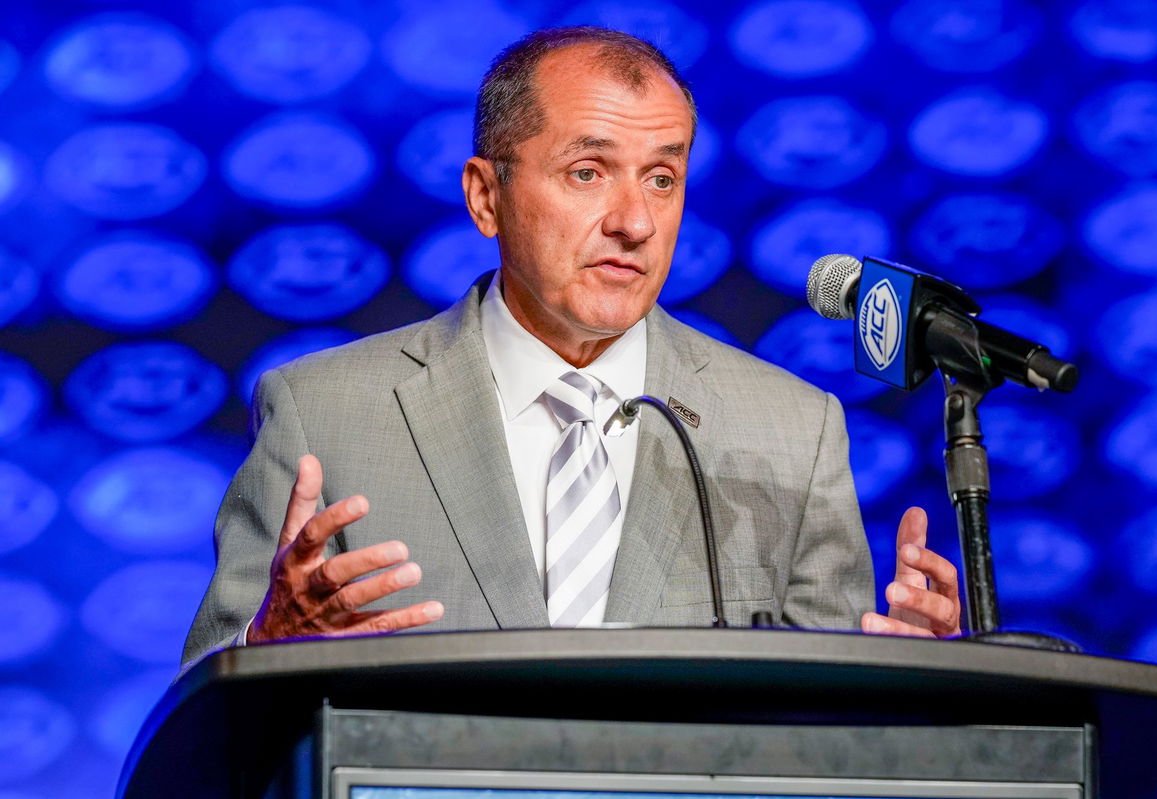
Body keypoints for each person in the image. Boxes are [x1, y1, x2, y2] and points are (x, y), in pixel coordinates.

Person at [182, 27, 960, 665]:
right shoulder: (326, 411)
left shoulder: (793, 429)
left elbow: (831, 743)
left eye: (662, 178)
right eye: (588, 172)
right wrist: (267, 648)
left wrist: (912, 680)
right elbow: (201, 726)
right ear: (486, 197)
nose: (635, 221)